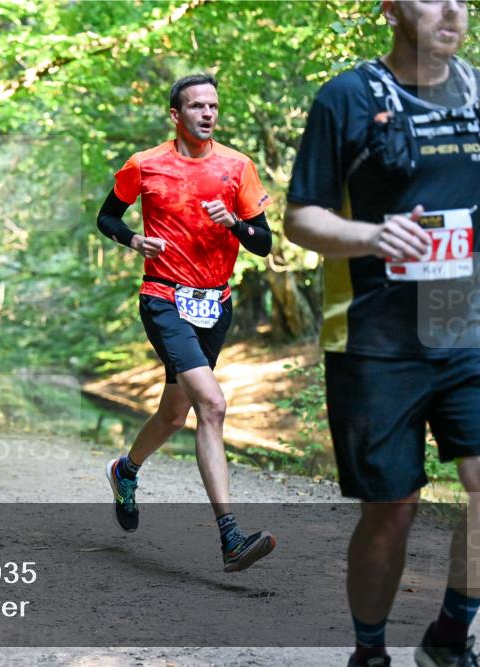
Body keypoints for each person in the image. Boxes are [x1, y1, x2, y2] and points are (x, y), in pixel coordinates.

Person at [284, 1, 480, 665]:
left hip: (467, 320)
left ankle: (451, 633)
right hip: (375, 337)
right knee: (392, 506)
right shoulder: (346, 97)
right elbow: (300, 217)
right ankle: (369, 651)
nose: (452, 8)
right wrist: (371, 235)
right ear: (391, 8)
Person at [96, 73, 276, 573]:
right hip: (164, 299)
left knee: (175, 414)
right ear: (176, 115)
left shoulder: (238, 167)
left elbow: (264, 242)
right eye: (196, 106)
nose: (207, 114)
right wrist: (134, 241)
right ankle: (231, 537)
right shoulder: (145, 165)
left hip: (214, 304)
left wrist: (234, 224)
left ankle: (125, 469)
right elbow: (107, 217)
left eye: (213, 106)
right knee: (212, 405)